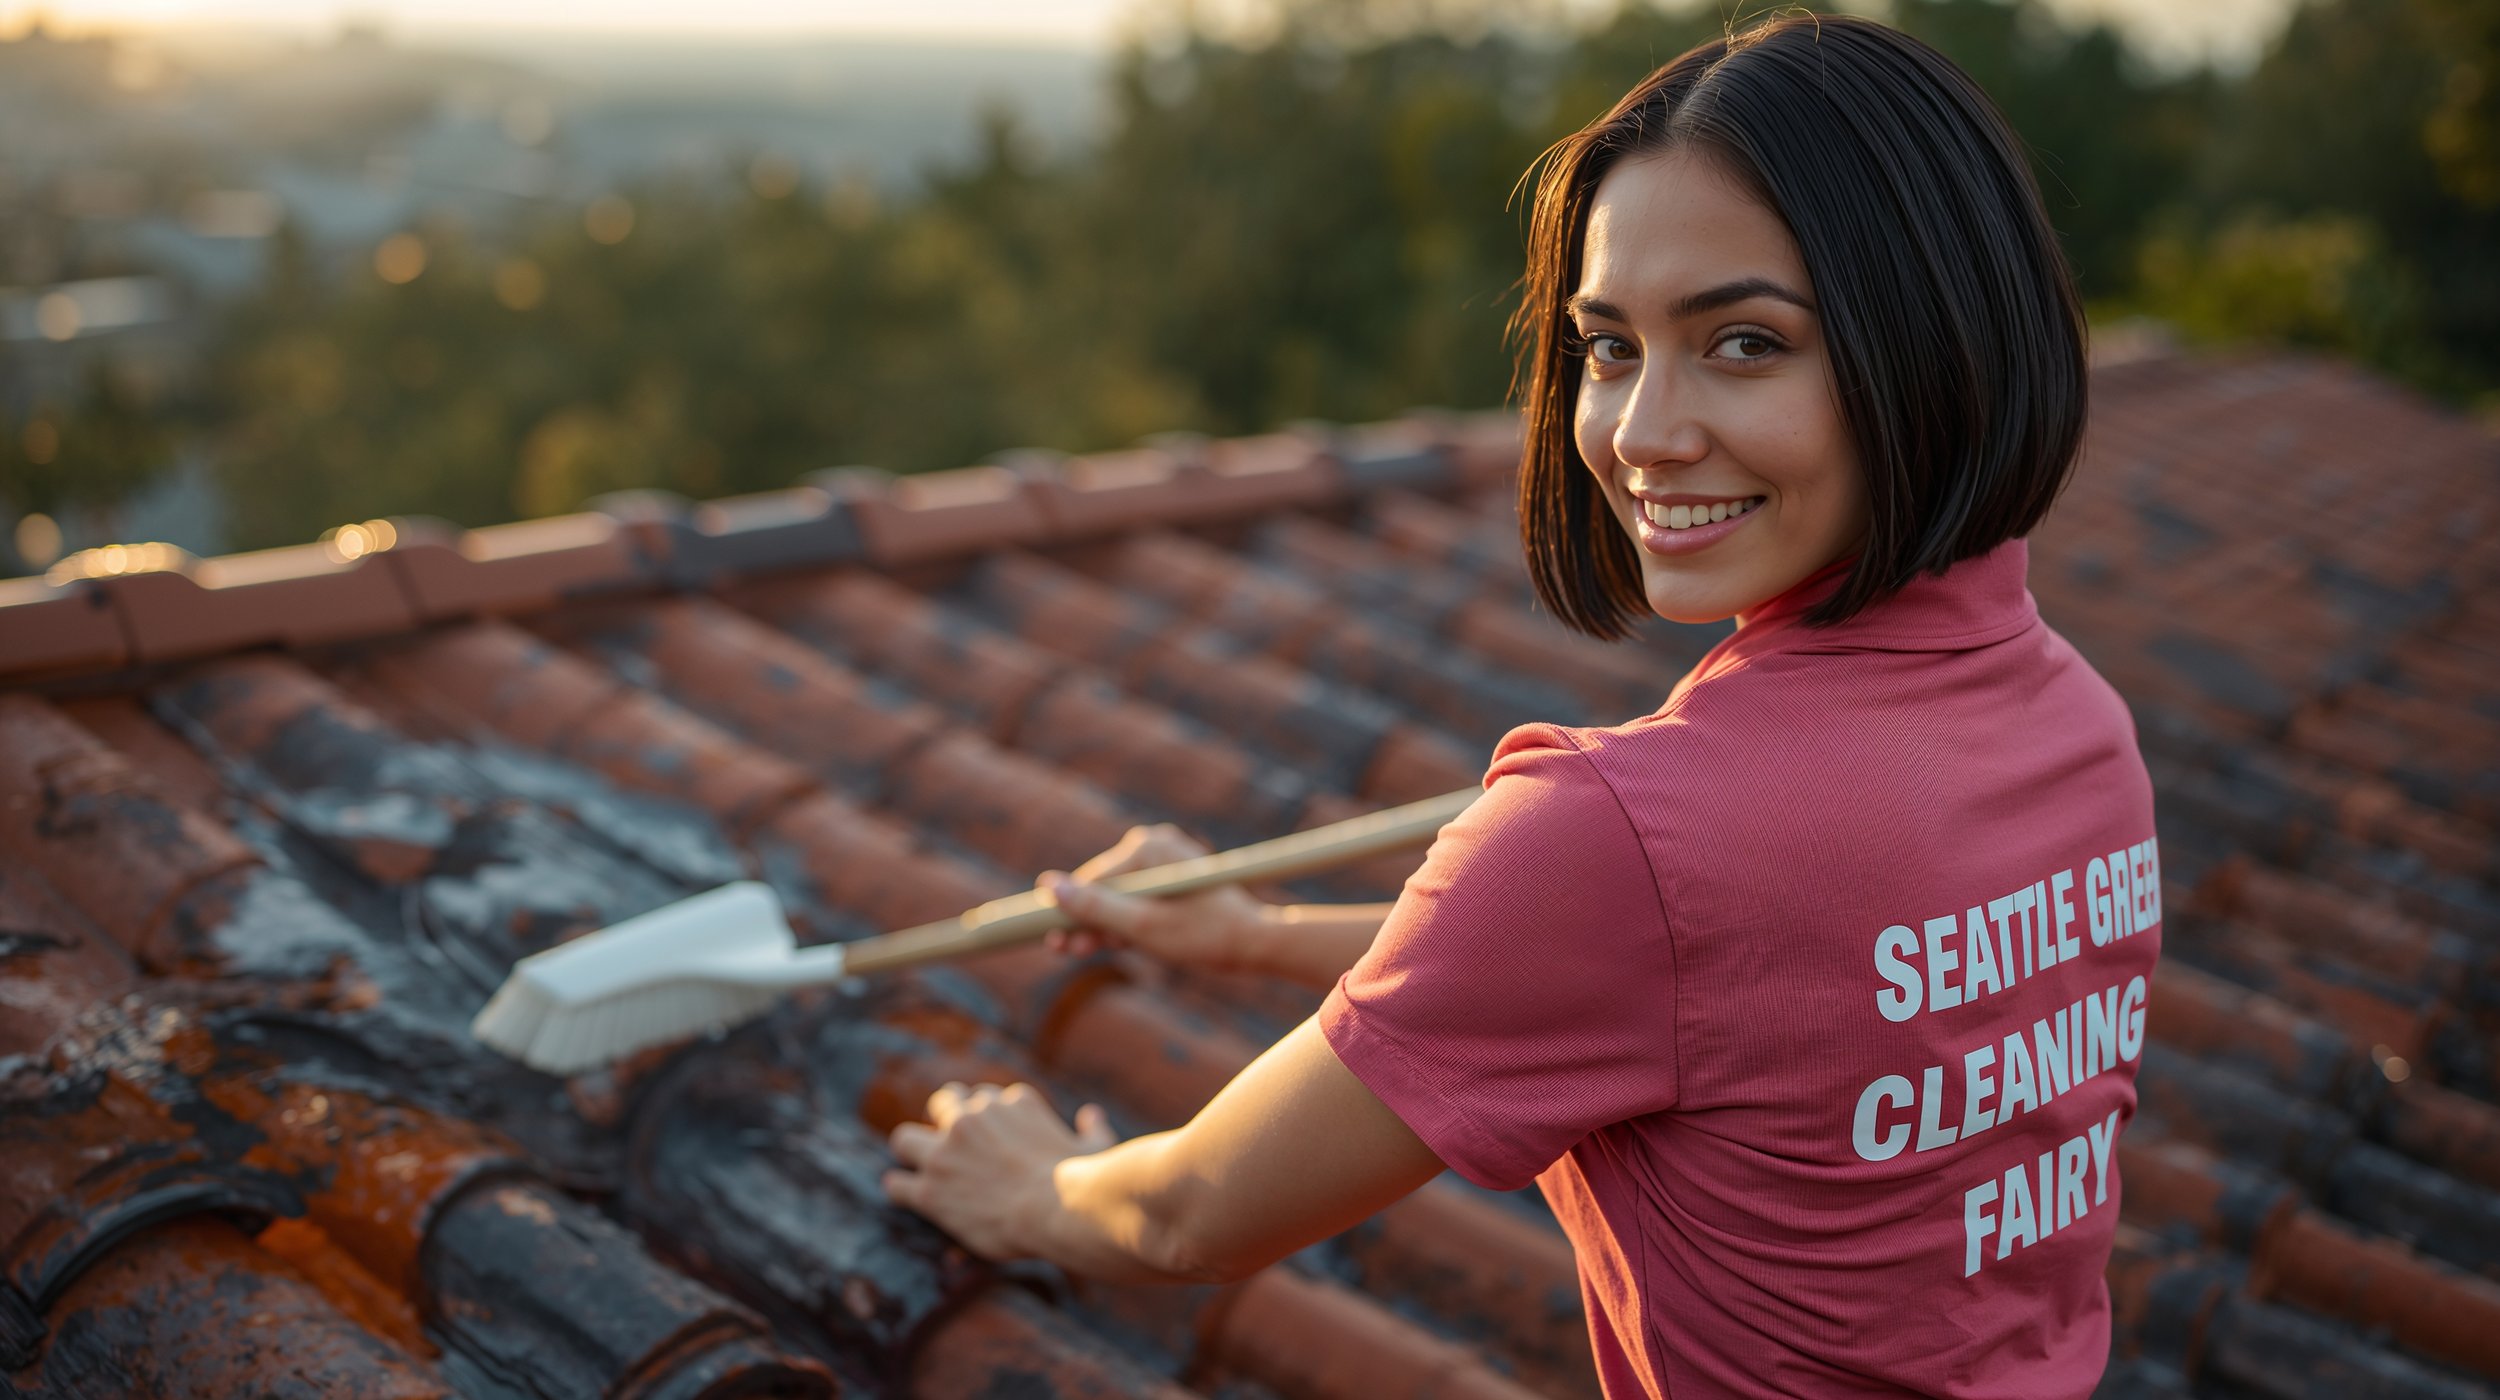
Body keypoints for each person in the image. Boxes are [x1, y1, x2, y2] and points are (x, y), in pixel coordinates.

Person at [880, 13, 2162, 1397]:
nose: (1642, 431)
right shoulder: (2078, 730)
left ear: (1932, 346)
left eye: (1743, 343)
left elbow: (1191, 1214)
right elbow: (1718, 987)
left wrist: (1036, 1185)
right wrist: (1253, 936)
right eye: (1609, 347)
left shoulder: (1631, 832)